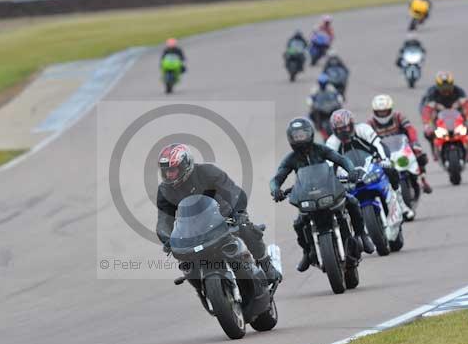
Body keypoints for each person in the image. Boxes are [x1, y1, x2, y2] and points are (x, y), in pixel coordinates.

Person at [156, 143, 281, 284]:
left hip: (223, 219)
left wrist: (239, 213)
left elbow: (233, 192)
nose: (168, 174)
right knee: (186, 263)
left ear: (186, 164)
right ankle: (201, 289)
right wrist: (168, 239)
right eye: (165, 171)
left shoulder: (207, 172)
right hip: (193, 232)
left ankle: (266, 264)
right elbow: (164, 220)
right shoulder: (165, 191)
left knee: (246, 227)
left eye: (173, 170)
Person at [269, 118, 375, 273]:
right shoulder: (291, 159)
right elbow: (277, 177)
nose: (300, 139)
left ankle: (362, 235)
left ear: (310, 134)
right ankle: (307, 252)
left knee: (352, 202)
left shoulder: (321, 149)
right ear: (290, 138)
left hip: (328, 190)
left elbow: (341, 159)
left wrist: (351, 171)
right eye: (296, 136)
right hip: (307, 197)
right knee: (299, 223)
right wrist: (275, 189)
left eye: (302, 135)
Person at [326, 109, 415, 220]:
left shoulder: (363, 129)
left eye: (345, 128)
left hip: (371, 162)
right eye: (338, 130)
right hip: (349, 172)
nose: (342, 132)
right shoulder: (331, 141)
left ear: (352, 124)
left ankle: (402, 206)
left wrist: (384, 159)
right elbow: (329, 162)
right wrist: (329, 177)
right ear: (334, 130)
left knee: (391, 171)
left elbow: (379, 144)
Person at [368, 94, 432, 194]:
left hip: (402, 146)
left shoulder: (399, 117)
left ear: (390, 109)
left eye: (385, 111)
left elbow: (410, 129)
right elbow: (366, 140)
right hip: (383, 152)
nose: (383, 114)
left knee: (420, 154)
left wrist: (414, 142)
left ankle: (423, 180)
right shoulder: (370, 124)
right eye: (380, 112)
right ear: (375, 112)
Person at [421, 71, 468, 163]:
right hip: (439, 120)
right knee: (428, 133)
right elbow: (427, 110)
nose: (446, 90)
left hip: (458, 118)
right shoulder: (432, 94)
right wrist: (427, 124)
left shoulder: (459, 92)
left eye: (448, 87)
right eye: (443, 87)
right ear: (438, 86)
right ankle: (434, 150)